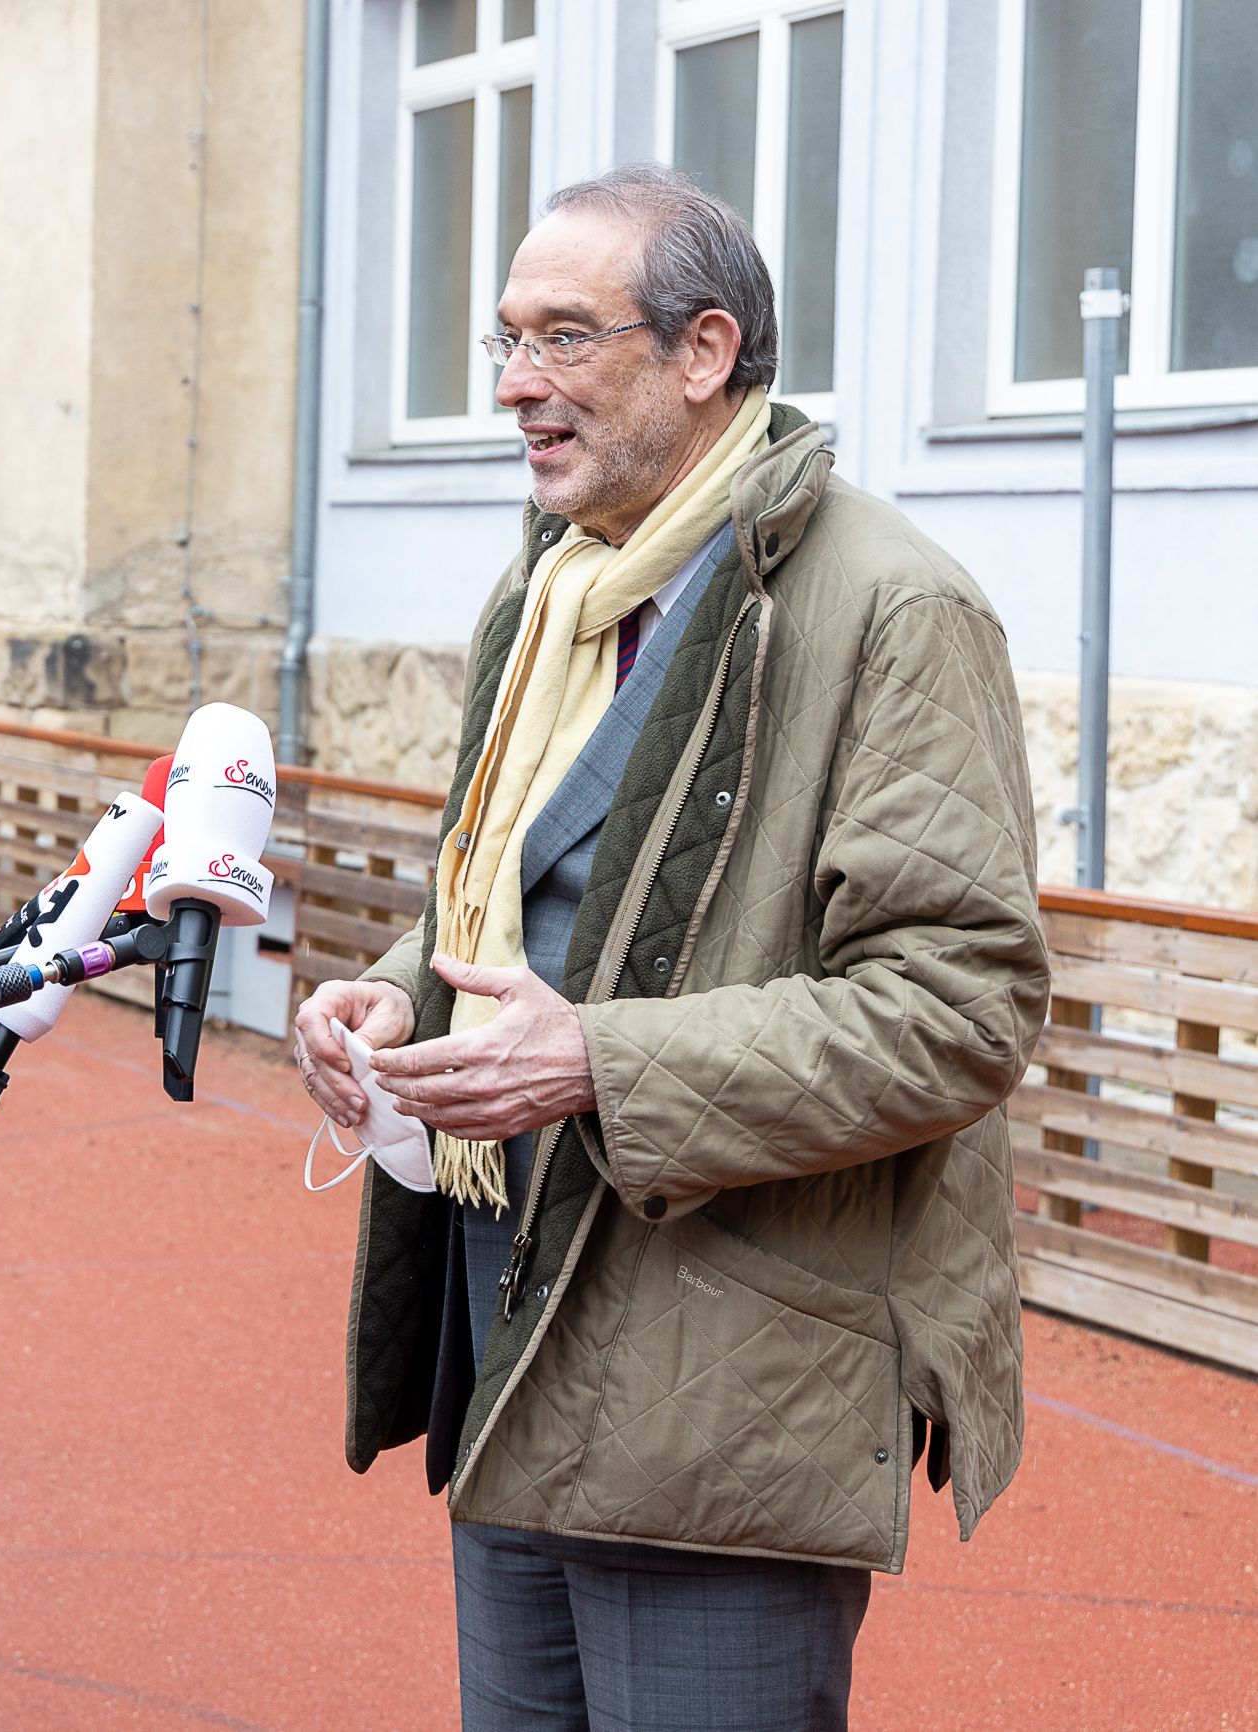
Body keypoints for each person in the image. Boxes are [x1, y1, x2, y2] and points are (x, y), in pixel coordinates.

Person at [292, 163, 1048, 1732]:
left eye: (562, 340)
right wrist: (398, 984)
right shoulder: (549, 593)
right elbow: (526, 883)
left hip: (724, 1381)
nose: (512, 387)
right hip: (504, 1319)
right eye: (505, 342)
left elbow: (959, 1006)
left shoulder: (893, 608)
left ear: (704, 353)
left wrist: (594, 1059)